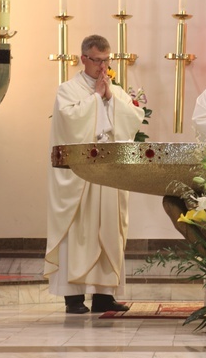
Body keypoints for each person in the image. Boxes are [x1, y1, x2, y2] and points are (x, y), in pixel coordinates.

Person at [45, 34, 145, 314]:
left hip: (109, 174)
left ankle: (104, 296)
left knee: (109, 230)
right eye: (98, 60)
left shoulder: (117, 90)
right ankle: (73, 297)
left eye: (106, 60)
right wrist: (97, 98)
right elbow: (69, 121)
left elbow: (134, 119)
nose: (103, 67)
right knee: (78, 230)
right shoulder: (68, 89)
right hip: (79, 176)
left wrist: (111, 97)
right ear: (83, 59)